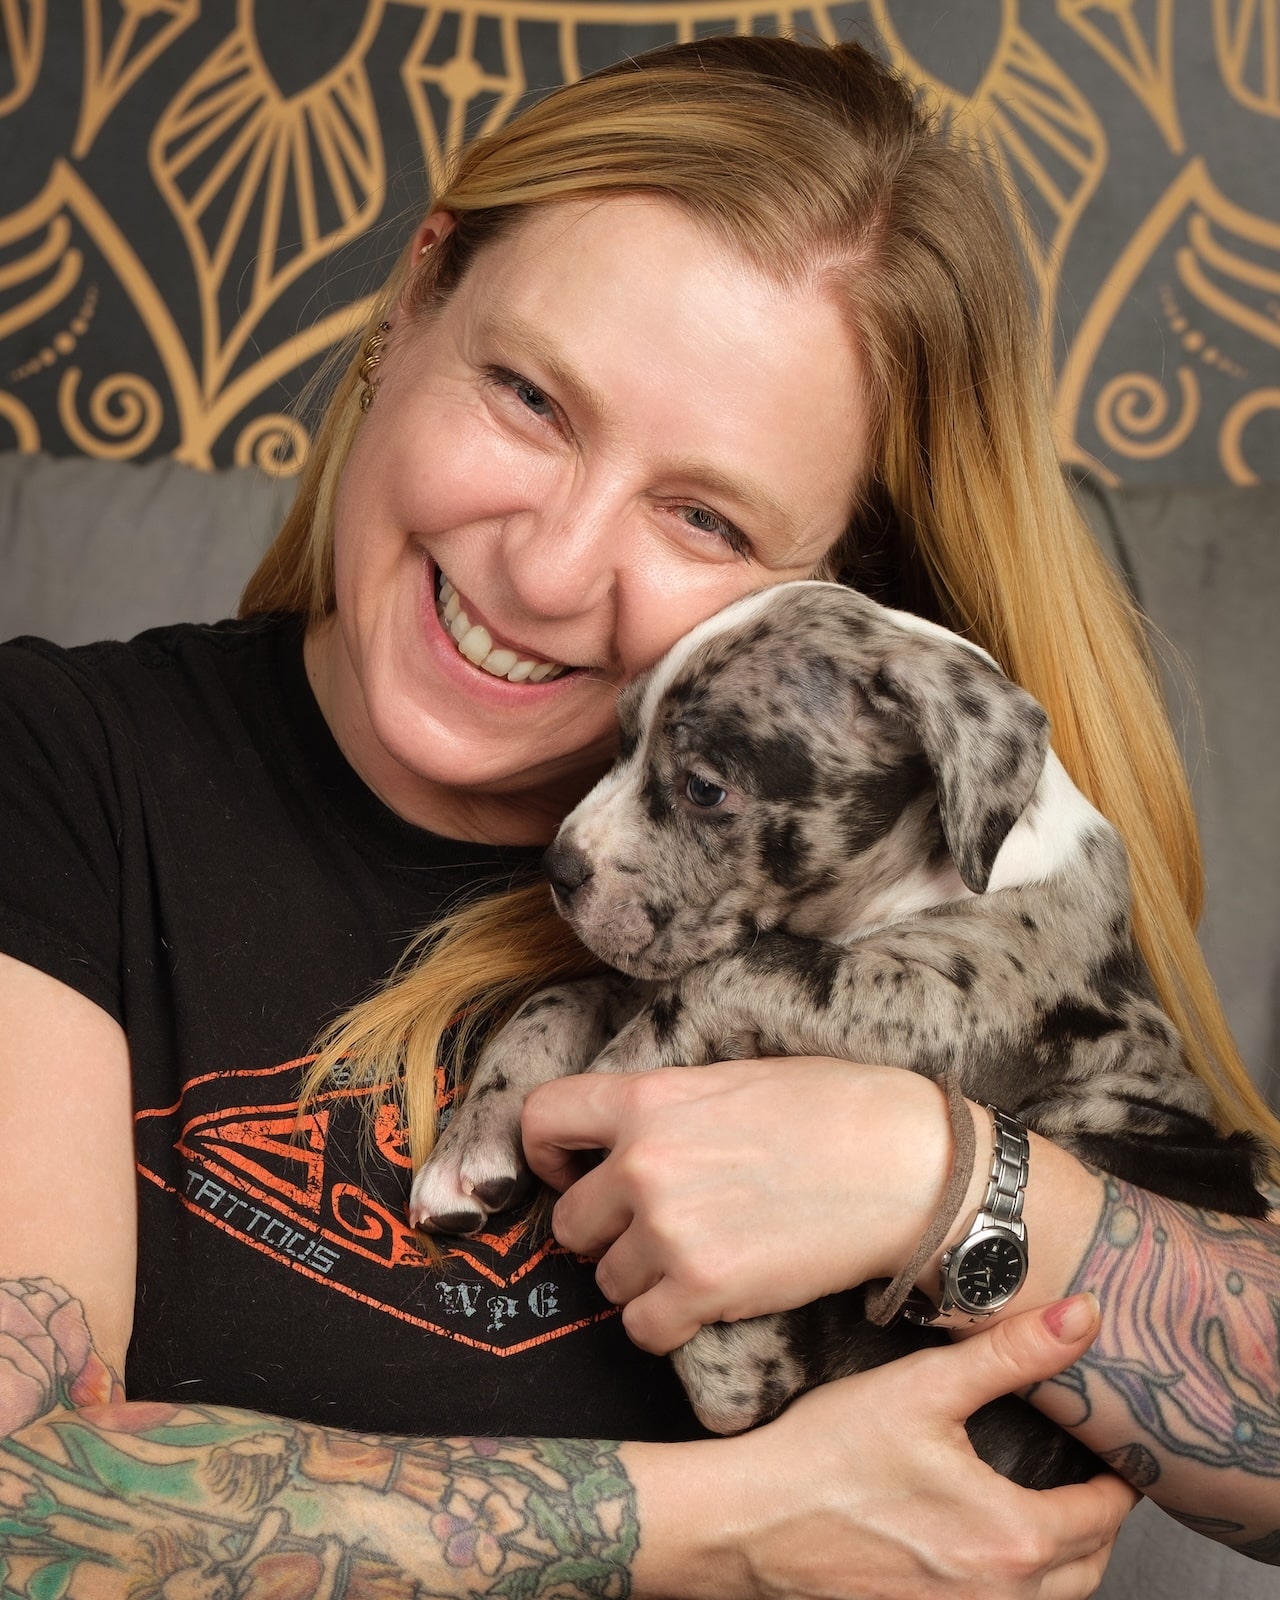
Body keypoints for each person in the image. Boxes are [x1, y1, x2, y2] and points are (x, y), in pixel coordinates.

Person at [0, 33, 1276, 1600]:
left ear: (830, 589)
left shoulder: (898, 901)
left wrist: (941, 1178)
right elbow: (20, 1498)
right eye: (531, 396)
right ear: (414, 303)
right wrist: (738, 1526)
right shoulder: (54, 770)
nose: (547, 568)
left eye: (702, 513)